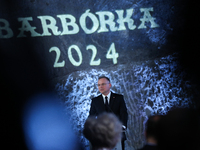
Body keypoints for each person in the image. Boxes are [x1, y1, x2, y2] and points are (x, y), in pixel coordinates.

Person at [89, 76, 128, 150]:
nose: (100, 87)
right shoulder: (95, 101)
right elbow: (91, 117)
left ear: (109, 85)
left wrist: (123, 125)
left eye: (103, 84)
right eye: (99, 85)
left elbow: (124, 113)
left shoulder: (119, 98)